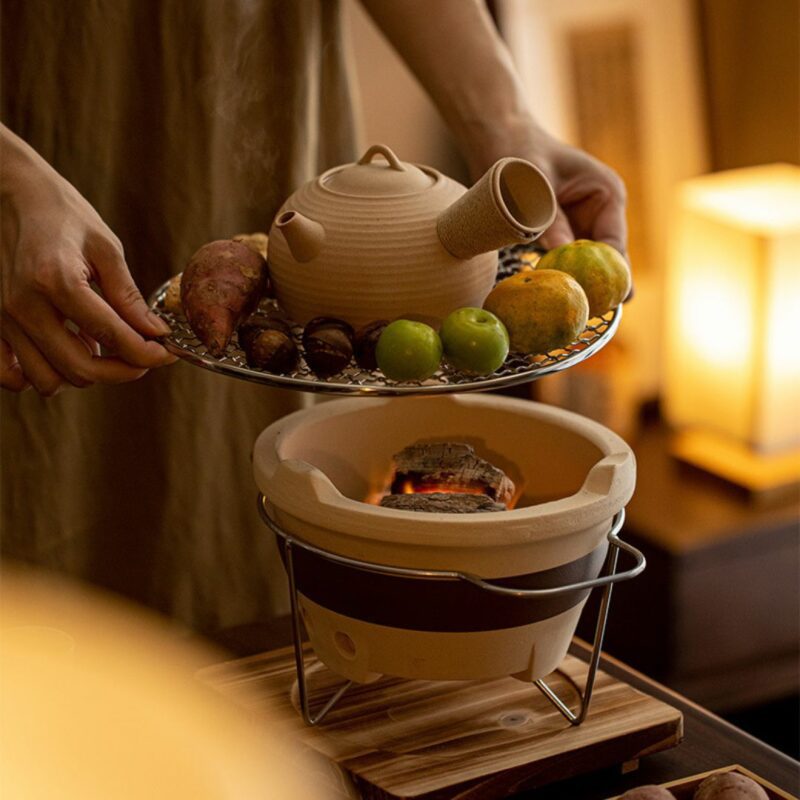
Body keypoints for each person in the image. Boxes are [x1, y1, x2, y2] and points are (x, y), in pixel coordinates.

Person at [0, 0, 627, 639]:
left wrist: (506, 121)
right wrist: (8, 178)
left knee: (267, 518)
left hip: (265, 126)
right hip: (39, 160)